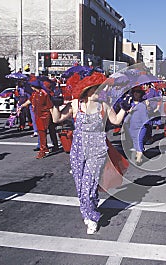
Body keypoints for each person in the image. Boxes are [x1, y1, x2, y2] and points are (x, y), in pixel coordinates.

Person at [51, 72, 129, 234]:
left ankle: (92, 218)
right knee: (81, 186)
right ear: (86, 91)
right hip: (78, 149)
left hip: (97, 150)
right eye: (94, 90)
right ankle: (88, 211)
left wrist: (124, 110)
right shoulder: (75, 104)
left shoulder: (104, 105)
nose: (98, 93)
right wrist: (53, 105)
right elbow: (57, 119)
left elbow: (115, 121)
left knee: (89, 186)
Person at [18, 80, 56, 159]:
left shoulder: (44, 94)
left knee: (42, 133)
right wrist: (22, 106)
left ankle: (43, 150)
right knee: (42, 132)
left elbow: (50, 106)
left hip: (44, 116)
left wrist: (54, 117)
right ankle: (47, 148)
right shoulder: (34, 94)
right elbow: (29, 100)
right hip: (38, 115)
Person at [124, 85, 149, 165]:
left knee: (139, 140)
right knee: (135, 141)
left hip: (141, 126)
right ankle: (140, 151)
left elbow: (146, 115)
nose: (136, 94)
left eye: (138, 92)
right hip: (131, 126)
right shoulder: (129, 103)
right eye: (134, 92)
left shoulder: (143, 104)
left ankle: (139, 157)